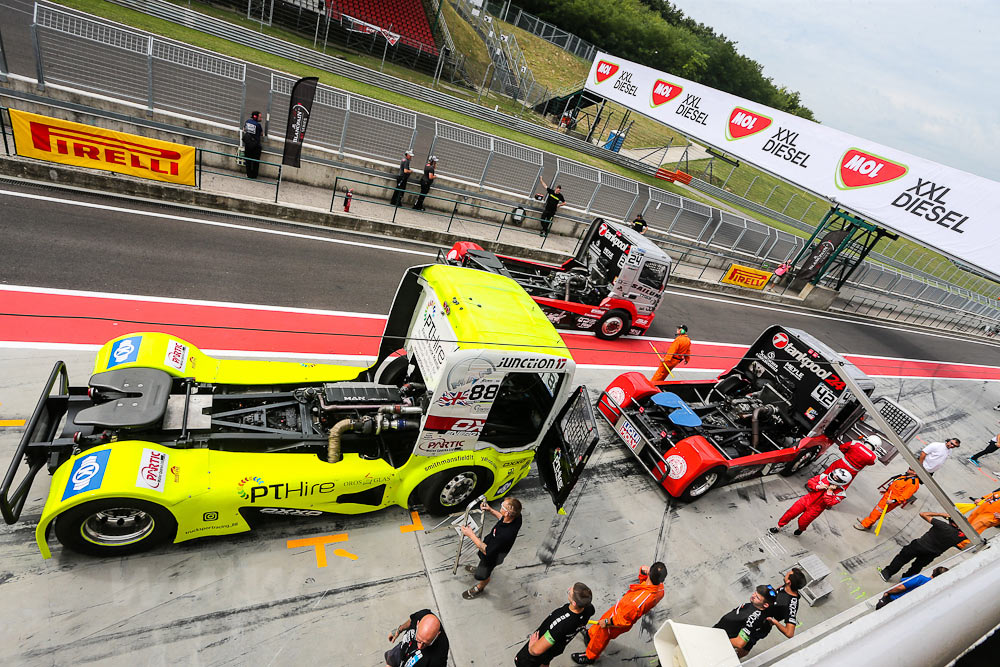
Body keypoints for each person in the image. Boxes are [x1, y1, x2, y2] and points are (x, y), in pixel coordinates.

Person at [570, 562, 667, 664]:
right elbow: (644, 586)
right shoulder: (660, 589)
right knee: (598, 628)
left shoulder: (636, 603)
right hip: (620, 611)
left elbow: (624, 620)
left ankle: (590, 656)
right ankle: (590, 635)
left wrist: (607, 622)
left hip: (616, 620)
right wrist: (644, 574)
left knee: (601, 637)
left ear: (650, 572)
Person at [515, 582, 595, 667]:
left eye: (569, 592)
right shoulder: (589, 609)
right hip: (557, 647)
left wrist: (531, 648)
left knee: (520, 661)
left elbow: (537, 651)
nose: (568, 590)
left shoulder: (561, 624)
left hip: (543, 648)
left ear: (574, 603)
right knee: (545, 661)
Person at [878, 511, 969, 582]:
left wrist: (940, 514)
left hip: (919, 545)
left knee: (902, 558)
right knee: (917, 567)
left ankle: (887, 573)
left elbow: (923, 514)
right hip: (932, 554)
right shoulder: (960, 536)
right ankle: (905, 581)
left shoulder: (942, 525)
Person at [461, 497, 522, 599]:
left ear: (507, 513)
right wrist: (490, 510)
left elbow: (486, 550)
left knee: (482, 574)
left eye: (502, 506)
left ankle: (479, 587)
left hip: (491, 556)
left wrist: (470, 534)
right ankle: (480, 569)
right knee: (482, 563)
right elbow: (502, 518)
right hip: (492, 546)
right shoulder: (516, 518)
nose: (500, 507)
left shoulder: (504, 535)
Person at [769, 469, 851, 536]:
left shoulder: (841, 493)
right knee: (791, 513)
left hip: (816, 509)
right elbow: (811, 482)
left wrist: (829, 491)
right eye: (834, 475)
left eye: (837, 478)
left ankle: (801, 529)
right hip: (806, 500)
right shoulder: (823, 477)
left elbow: (829, 503)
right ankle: (778, 526)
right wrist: (818, 486)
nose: (833, 477)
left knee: (803, 522)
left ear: (842, 481)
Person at [741, 569, 805, 655]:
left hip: (760, 625)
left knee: (744, 645)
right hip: (754, 613)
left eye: (787, 574)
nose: (785, 574)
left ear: (789, 582)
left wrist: (774, 621)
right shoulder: (786, 587)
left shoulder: (791, 604)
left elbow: (789, 633)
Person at [712, 584, 777, 658]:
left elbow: (740, 643)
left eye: (757, 597)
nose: (753, 596)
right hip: (717, 632)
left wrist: (719, 640)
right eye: (755, 593)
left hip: (718, 642)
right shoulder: (755, 605)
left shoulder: (753, 619)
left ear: (765, 605)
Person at [855, 468, 921, 531]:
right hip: (888, 496)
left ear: (915, 473)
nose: (908, 469)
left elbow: (904, 497)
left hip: (892, 500)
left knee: (877, 511)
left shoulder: (913, 484)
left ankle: (865, 525)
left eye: (910, 469)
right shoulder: (906, 476)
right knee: (877, 510)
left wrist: (892, 501)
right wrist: (886, 491)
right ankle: (868, 522)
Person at [385, 609, 449, 667]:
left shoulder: (438, 658)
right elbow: (412, 620)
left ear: (437, 635)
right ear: (418, 624)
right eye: (418, 640)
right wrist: (398, 630)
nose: (420, 646)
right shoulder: (423, 615)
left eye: (425, 644)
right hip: (403, 649)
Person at [875, 566, 948, 609]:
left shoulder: (920, 579)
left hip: (891, 600)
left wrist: (887, 592)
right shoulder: (934, 588)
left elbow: (899, 587)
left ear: (934, 570)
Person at [241, 110, 263, 179]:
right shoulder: (258, 125)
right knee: (256, 161)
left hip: (248, 145)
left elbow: (244, 129)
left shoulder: (247, 121)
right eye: (260, 117)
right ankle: (254, 176)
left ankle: (248, 174)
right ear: (256, 117)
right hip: (256, 146)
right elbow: (261, 134)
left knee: (248, 160)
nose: (261, 119)